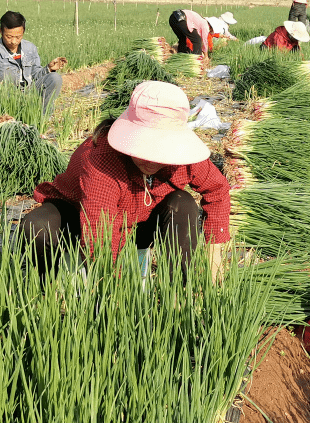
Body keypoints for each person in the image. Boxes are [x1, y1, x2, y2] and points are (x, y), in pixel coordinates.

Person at [21, 81, 231, 279]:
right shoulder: (102, 158)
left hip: (138, 224)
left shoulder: (182, 156)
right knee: (38, 227)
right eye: (144, 148)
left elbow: (218, 189)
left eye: (160, 150)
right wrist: (117, 294)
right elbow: (99, 236)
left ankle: (183, 289)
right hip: (79, 219)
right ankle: (44, 289)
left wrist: (214, 255)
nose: (150, 160)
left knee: (183, 204)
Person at [0, 10, 66, 115]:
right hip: (6, 102)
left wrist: (49, 69)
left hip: (29, 94)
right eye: (9, 37)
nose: (13, 41)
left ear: (23, 32)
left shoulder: (30, 48)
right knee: (8, 72)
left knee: (55, 78)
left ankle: (43, 119)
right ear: (1, 31)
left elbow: (35, 75)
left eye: (18, 37)